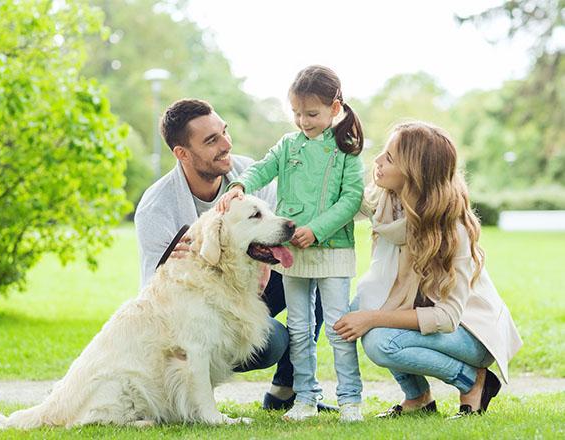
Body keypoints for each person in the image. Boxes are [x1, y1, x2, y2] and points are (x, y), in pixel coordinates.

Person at [134, 98, 335, 412]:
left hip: (251, 279)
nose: (226, 144)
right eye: (211, 140)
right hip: (200, 305)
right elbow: (153, 294)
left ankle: (285, 391)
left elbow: (275, 226)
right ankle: (198, 394)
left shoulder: (246, 172)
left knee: (317, 277)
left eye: (224, 132)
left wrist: (264, 260)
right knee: (273, 343)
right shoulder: (157, 208)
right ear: (182, 153)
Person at [334, 121, 522, 419]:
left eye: (390, 158)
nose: (378, 162)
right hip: (423, 311)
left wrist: (373, 317)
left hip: (470, 333)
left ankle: (474, 381)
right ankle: (418, 398)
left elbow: (447, 317)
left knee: (381, 340)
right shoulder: (387, 200)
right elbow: (340, 205)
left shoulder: (451, 229)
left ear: (414, 174)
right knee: (364, 305)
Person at [218, 65, 365, 423]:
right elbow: (261, 168)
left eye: (311, 114)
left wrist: (316, 230)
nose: (303, 121)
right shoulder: (288, 145)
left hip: (332, 251)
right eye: (297, 113)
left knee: (336, 327)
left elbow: (351, 199)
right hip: (295, 254)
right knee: (299, 328)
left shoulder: (347, 151)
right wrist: (239, 185)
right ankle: (305, 397)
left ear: (335, 108)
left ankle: (350, 400)